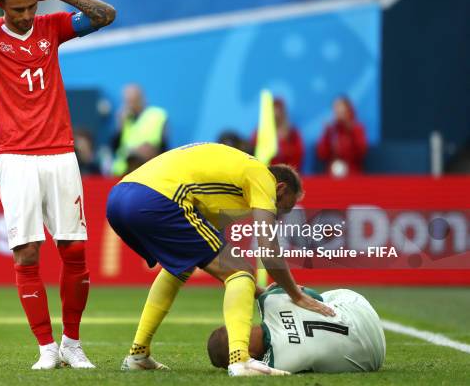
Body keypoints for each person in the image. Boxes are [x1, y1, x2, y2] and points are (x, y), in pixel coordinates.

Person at [0, 0, 115, 369]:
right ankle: (46, 348)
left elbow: (106, 15)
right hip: (15, 157)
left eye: (31, 6)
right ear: (2, 5)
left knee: (74, 249)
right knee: (27, 253)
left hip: (59, 153)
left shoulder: (51, 26)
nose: (25, 15)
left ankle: (72, 343)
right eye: (17, 8)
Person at [106, 142, 335, 377]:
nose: (277, 217)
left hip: (119, 197)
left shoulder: (229, 188)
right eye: (283, 208)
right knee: (241, 271)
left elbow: (212, 261)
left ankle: (138, 354)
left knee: (181, 268)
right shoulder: (262, 176)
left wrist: (261, 292)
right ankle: (240, 361)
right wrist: (296, 295)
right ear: (280, 188)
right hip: (155, 198)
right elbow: (268, 251)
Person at [207, 285, 386, 374]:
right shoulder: (270, 301)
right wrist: (269, 292)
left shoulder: (278, 364)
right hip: (360, 309)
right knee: (316, 299)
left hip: (373, 358)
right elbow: (314, 298)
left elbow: (245, 371)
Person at [111, 84, 168, 176]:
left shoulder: (157, 115)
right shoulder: (124, 118)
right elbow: (115, 148)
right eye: (127, 101)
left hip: (147, 170)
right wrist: (119, 125)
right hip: (123, 172)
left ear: (141, 99)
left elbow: (164, 147)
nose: (130, 105)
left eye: (133, 100)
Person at [317, 97, 368, 176]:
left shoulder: (357, 129)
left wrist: (349, 128)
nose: (337, 111)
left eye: (340, 107)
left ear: (348, 110)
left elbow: (361, 152)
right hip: (332, 174)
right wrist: (326, 134)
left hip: (353, 173)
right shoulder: (331, 129)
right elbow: (322, 154)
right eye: (335, 108)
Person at [251, 99, 303, 170]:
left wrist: (283, 151)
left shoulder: (292, 133)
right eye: (273, 111)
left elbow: (298, 154)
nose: (276, 115)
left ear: (283, 114)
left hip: (286, 173)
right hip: (265, 171)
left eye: (278, 111)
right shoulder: (260, 133)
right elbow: (253, 152)